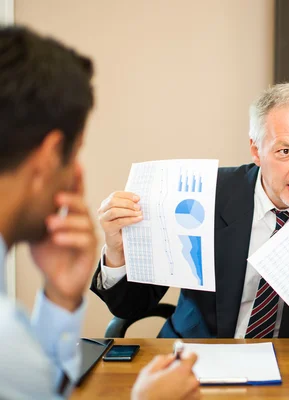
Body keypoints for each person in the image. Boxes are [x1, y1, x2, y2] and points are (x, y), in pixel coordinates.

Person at [92, 82, 289, 339]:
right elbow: (130, 307)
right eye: (285, 151)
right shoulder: (204, 196)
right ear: (256, 150)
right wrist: (117, 251)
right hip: (197, 356)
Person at [0, 26, 199, 399]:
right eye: (76, 152)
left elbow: (44, 389)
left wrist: (60, 298)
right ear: (48, 155)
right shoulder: (5, 338)